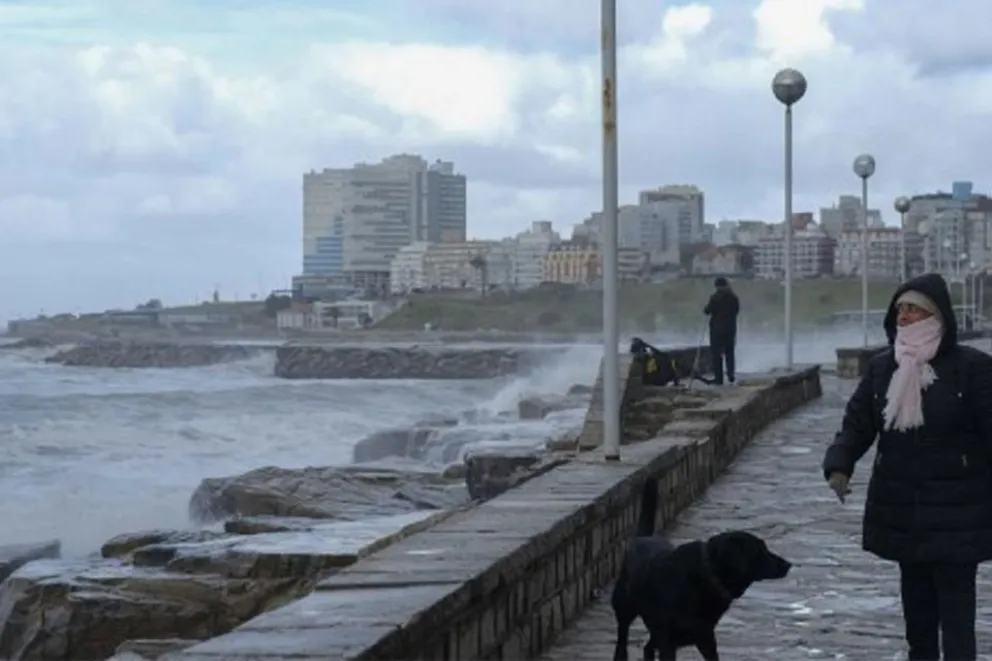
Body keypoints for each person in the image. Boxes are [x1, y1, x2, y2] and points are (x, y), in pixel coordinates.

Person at [822, 273, 992, 661]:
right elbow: (858, 424)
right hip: (903, 509)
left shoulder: (974, 369)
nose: (905, 316)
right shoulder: (884, 368)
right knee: (917, 616)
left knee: (956, 617)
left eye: (914, 309)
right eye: (900, 309)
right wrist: (840, 464)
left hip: (958, 512)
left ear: (936, 316)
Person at [703, 276, 740, 385]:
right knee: (730, 353)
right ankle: (731, 374)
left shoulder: (715, 297)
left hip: (717, 330)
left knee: (716, 355)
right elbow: (737, 310)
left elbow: (707, 310)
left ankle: (719, 379)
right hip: (730, 329)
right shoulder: (733, 297)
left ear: (717, 286)